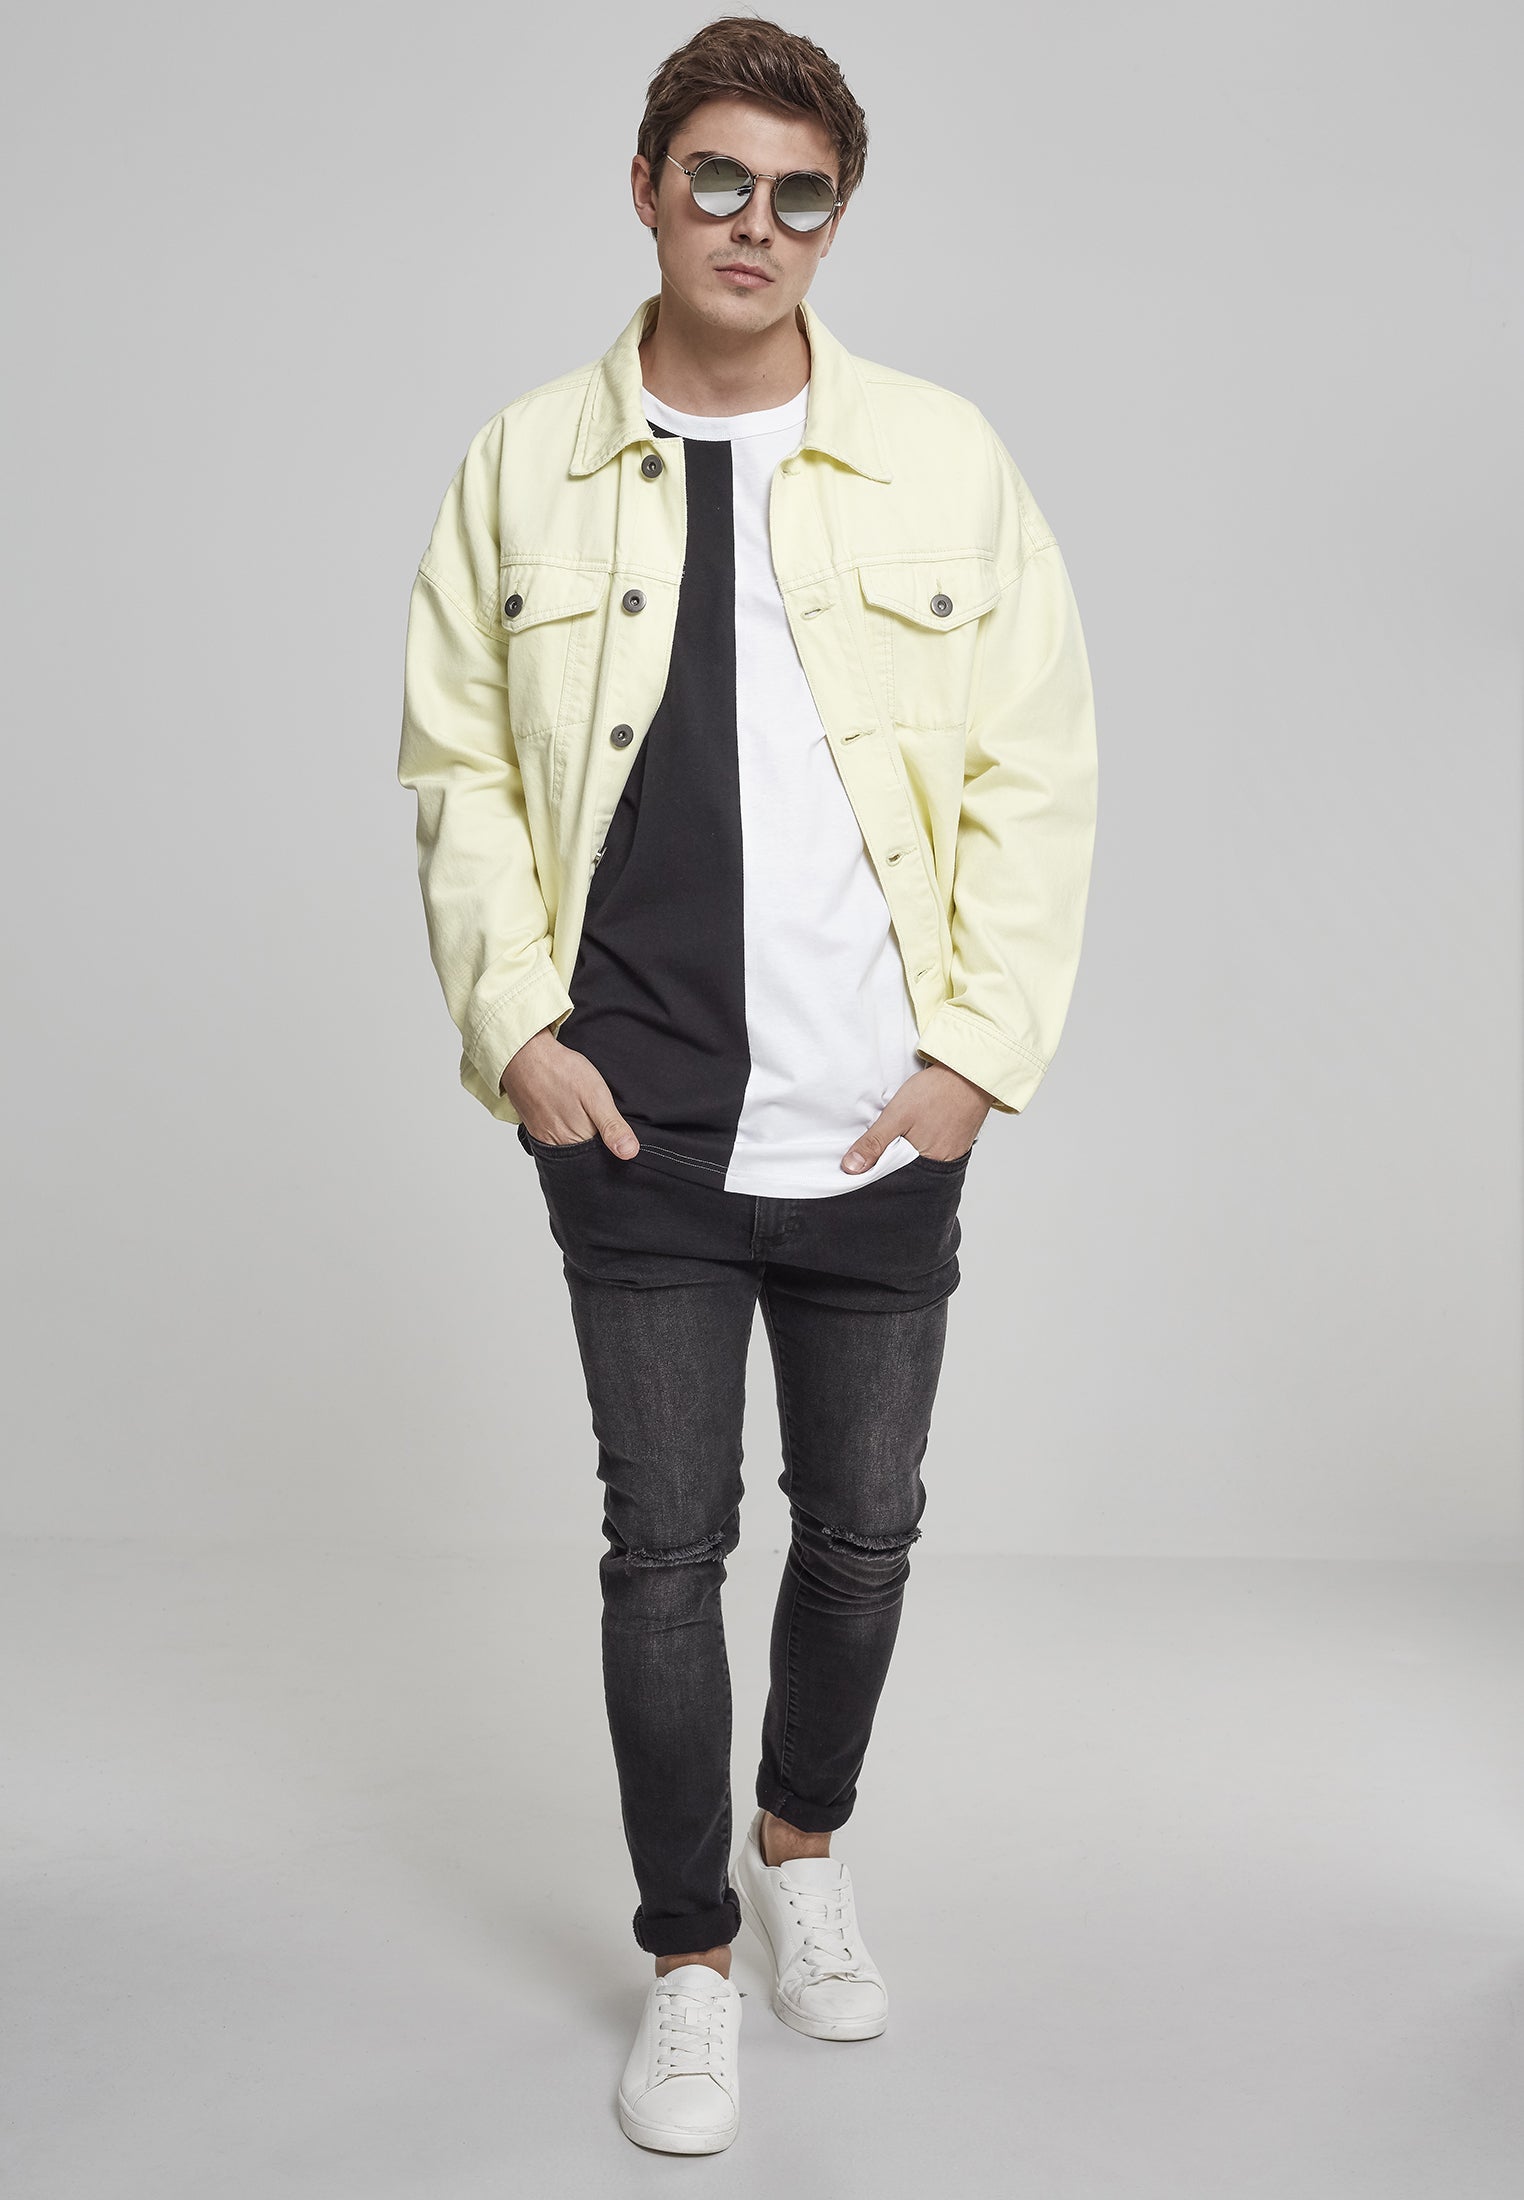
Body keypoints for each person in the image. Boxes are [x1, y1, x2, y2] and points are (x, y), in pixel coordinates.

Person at [397, 14, 1098, 2156]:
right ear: (647, 189)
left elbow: (1037, 769)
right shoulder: (524, 465)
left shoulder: (943, 458)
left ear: (834, 218)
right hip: (636, 1120)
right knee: (664, 1545)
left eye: (800, 195)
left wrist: (974, 1057)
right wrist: (518, 1032)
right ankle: (689, 1955)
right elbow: (459, 772)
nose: (755, 225)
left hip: (881, 1120)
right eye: (717, 179)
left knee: (865, 1531)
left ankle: (802, 1845)